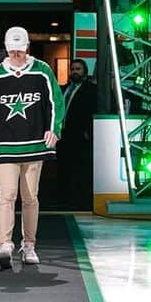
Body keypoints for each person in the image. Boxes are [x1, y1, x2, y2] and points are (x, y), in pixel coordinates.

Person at [0, 27, 64, 269]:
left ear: (27, 47)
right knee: (6, 195)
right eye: (12, 50)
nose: (16, 54)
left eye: (20, 49)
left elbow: (56, 101)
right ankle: (5, 244)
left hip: (34, 144)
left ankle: (29, 246)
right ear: (6, 49)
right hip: (6, 146)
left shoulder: (42, 70)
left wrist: (54, 128)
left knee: (30, 197)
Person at [58, 58, 96, 208]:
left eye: (78, 69)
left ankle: (78, 200)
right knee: (63, 167)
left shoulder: (91, 89)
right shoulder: (65, 88)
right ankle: (63, 198)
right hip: (63, 134)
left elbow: (91, 111)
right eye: (72, 69)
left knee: (79, 168)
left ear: (85, 71)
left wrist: (88, 131)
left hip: (80, 135)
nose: (74, 72)